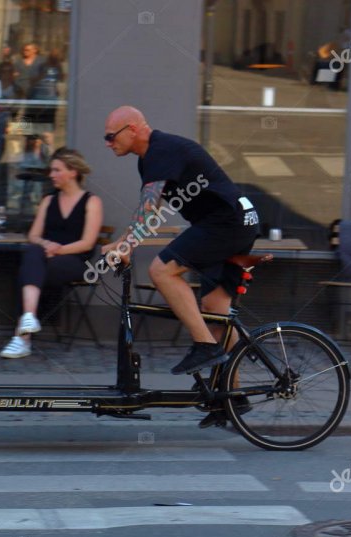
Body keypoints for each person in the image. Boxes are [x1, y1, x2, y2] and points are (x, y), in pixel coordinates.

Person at [100, 106, 260, 427]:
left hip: (227, 223)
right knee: (215, 307)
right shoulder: (151, 158)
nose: (107, 143)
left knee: (161, 270)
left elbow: (148, 211)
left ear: (132, 129)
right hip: (239, 220)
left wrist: (126, 245)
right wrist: (124, 243)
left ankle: (204, 346)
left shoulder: (161, 150)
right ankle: (233, 396)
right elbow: (149, 212)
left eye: (110, 136)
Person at [1, 148, 104, 358]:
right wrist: (46, 244)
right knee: (32, 252)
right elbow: (33, 235)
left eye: (56, 170)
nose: (51, 175)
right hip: (47, 259)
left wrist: (58, 250)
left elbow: (87, 243)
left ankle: (22, 338)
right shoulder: (49, 200)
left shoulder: (92, 202)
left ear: (72, 171)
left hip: (76, 262)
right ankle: (29, 318)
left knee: (29, 272)